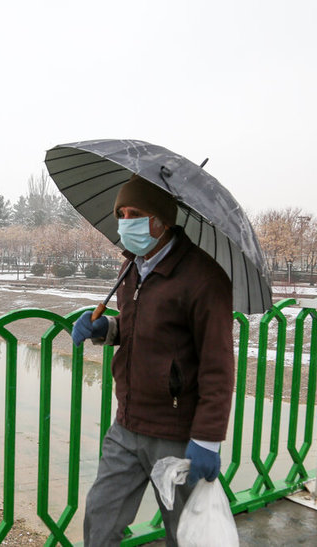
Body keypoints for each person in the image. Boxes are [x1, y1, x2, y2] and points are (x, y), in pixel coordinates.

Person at [72, 175, 235, 546]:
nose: (125, 222)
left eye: (136, 213)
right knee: (100, 519)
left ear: (162, 220)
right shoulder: (131, 267)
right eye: (122, 213)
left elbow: (218, 365)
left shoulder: (203, 277)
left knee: (187, 533)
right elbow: (138, 329)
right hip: (127, 424)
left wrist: (208, 439)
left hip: (176, 435)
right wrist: (106, 331)